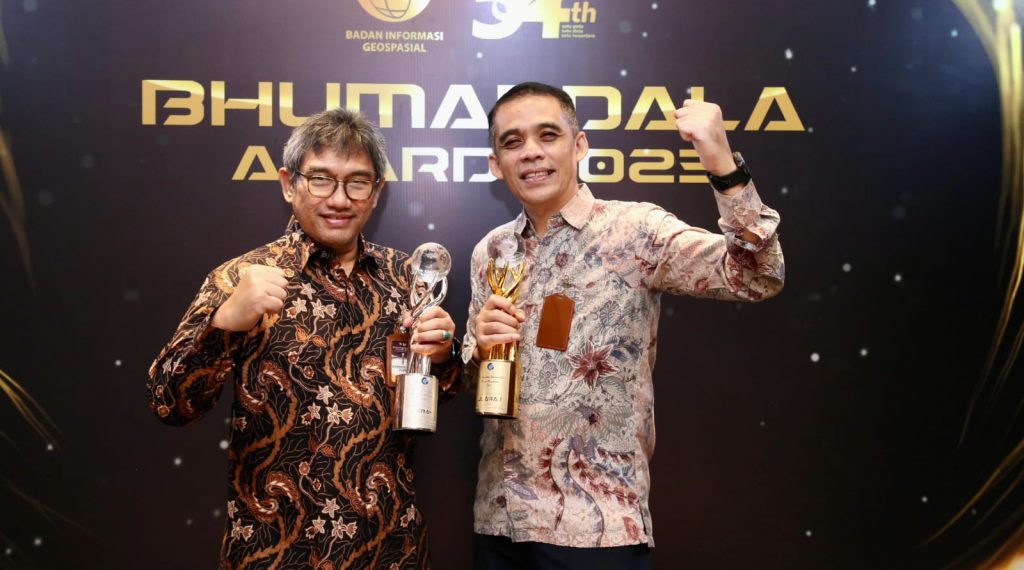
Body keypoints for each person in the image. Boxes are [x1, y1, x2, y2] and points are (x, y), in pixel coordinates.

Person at [464, 82, 785, 569]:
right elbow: (475, 386)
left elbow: (757, 276)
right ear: (495, 164)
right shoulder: (491, 251)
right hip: (498, 523)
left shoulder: (634, 231)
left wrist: (724, 165)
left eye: (547, 135)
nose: (530, 152)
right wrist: (479, 352)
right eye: (513, 142)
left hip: (598, 529)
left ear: (579, 145)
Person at [148, 108, 460, 569]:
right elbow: (169, 403)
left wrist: (443, 357)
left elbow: (437, 396)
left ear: (377, 192)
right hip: (276, 551)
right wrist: (224, 323)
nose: (340, 199)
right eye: (321, 180)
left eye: (357, 182)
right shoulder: (242, 277)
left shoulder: (407, 277)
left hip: (390, 547)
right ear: (288, 184)